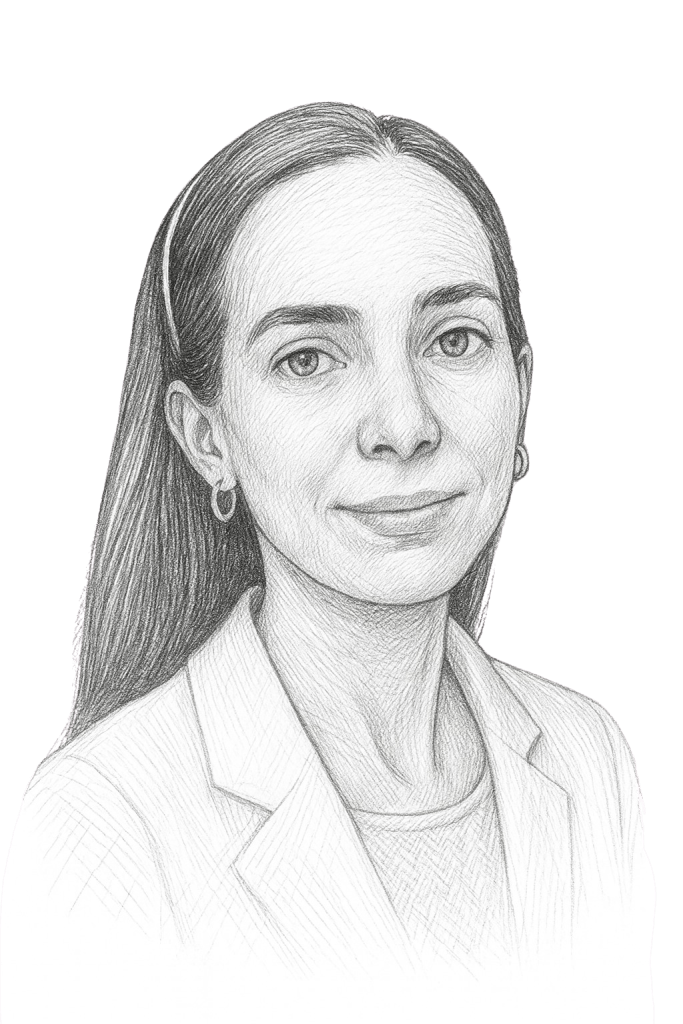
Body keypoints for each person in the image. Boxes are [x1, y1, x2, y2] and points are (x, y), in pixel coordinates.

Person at [0, 102, 655, 1023]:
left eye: (454, 339)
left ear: (522, 389)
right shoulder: (105, 817)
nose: (404, 425)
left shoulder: (587, 758)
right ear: (206, 437)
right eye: (308, 358)